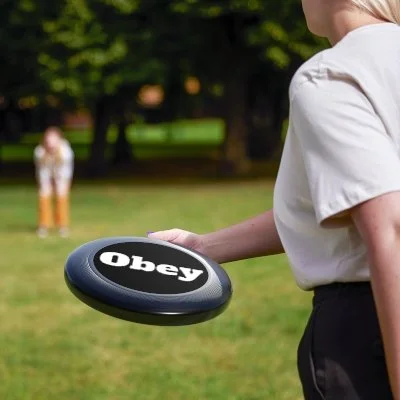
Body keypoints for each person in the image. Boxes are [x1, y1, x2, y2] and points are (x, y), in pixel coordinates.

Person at [148, 1, 400, 398]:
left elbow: (390, 227)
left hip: (370, 332)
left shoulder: (333, 75)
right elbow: (340, 204)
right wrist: (202, 246)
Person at [34, 126, 74, 238]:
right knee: (44, 196)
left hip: (62, 175)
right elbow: (42, 171)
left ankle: (63, 226)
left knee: (62, 197)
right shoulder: (39, 151)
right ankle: (44, 225)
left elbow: (65, 171)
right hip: (45, 175)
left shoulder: (66, 151)